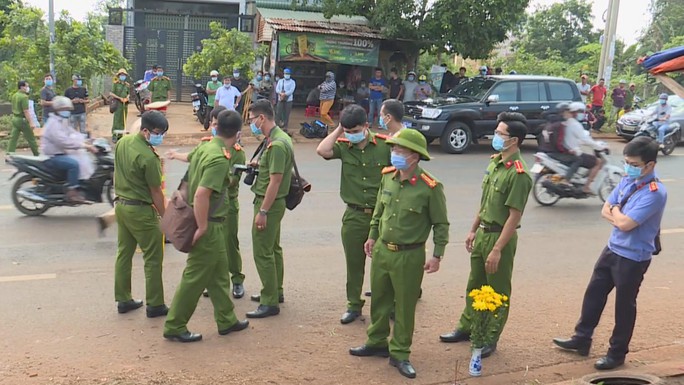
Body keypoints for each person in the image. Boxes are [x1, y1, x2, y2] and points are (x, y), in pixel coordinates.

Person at [553, 137, 667, 371]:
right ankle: (581, 338)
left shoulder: (655, 193)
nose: (628, 167)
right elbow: (606, 209)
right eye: (626, 162)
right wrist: (616, 212)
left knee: (624, 307)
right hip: (612, 248)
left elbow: (625, 223)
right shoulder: (627, 180)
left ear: (650, 165)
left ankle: (616, 354)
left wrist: (615, 211)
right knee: (593, 293)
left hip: (633, 258)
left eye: (634, 164)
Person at [349, 128, 449, 379]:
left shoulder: (430, 187)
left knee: (404, 307)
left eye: (399, 150)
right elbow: (379, 211)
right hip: (383, 249)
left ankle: (401, 353)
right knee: (379, 300)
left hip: (409, 255)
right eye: (393, 149)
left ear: (414, 156)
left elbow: (441, 224)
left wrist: (437, 255)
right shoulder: (388, 177)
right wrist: (372, 236)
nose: (393, 153)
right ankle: (376, 342)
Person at [439, 112, 533, 359]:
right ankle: (468, 326)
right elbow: (485, 203)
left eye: (500, 133)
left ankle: (490, 337)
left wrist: (498, 249)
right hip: (482, 234)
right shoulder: (495, 162)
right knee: (475, 284)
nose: (495, 136)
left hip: (499, 237)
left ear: (513, 140)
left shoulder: (519, 174)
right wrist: (472, 229)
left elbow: (514, 216)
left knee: (497, 290)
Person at [162, 109, 250, 343]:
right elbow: (202, 195)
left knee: (219, 274)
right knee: (195, 277)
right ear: (238, 133)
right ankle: (175, 325)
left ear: (216, 126)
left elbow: (190, 167)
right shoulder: (219, 158)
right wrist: (201, 227)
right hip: (209, 224)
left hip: (215, 224)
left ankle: (226, 319)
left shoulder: (206, 147)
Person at [316, 104, 392, 325]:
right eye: (347, 130)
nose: (351, 135)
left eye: (355, 130)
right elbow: (322, 150)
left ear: (366, 126)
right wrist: (340, 130)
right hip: (354, 215)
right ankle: (353, 305)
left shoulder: (385, 146)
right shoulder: (344, 145)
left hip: (382, 215)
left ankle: (387, 304)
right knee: (354, 264)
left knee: (384, 264)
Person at [113, 110, 169, 318]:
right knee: (153, 257)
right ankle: (155, 304)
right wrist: (166, 217)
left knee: (124, 253)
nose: (160, 137)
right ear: (145, 130)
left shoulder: (122, 142)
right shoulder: (149, 156)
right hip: (141, 211)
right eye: (157, 133)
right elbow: (156, 192)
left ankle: (123, 299)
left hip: (121, 206)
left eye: (163, 133)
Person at [246, 100, 293, 319]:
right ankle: (276, 290)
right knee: (273, 249)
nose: (251, 124)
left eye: (252, 119)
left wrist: (263, 211)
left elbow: (275, 181)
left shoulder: (276, 144)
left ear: (262, 118)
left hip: (269, 203)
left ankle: (269, 301)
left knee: (262, 251)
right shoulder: (278, 138)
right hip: (274, 203)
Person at [40, 96, 97, 203]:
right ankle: (72, 192)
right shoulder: (54, 124)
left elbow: (72, 132)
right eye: (64, 109)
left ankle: (79, 186)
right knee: (74, 164)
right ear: (58, 110)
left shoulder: (61, 121)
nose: (66, 111)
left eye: (67, 109)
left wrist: (86, 139)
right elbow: (64, 141)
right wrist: (84, 146)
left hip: (61, 153)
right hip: (53, 156)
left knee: (81, 158)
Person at [551, 102, 605, 194]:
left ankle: (578, 180)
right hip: (573, 152)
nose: (582, 114)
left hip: (566, 150)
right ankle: (586, 187)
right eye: (580, 111)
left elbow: (576, 137)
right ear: (574, 112)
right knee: (598, 162)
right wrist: (599, 146)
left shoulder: (566, 122)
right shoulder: (574, 124)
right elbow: (585, 139)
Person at [7, 80, 39, 156]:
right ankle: (37, 154)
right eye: (26, 86)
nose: (27, 88)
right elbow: (26, 111)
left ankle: (9, 154)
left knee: (13, 138)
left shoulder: (14, 95)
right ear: (22, 87)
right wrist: (31, 122)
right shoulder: (24, 97)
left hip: (15, 118)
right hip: (22, 120)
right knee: (31, 138)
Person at [110, 69, 131, 143]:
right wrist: (120, 98)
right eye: (121, 75)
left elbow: (128, 93)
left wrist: (127, 98)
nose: (122, 76)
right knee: (117, 120)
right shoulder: (116, 84)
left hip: (124, 105)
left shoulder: (127, 85)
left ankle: (120, 136)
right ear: (119, 76)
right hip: (118, 104)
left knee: (123, 120)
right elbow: (111, 93)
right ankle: (114, 136)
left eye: (124, 75)